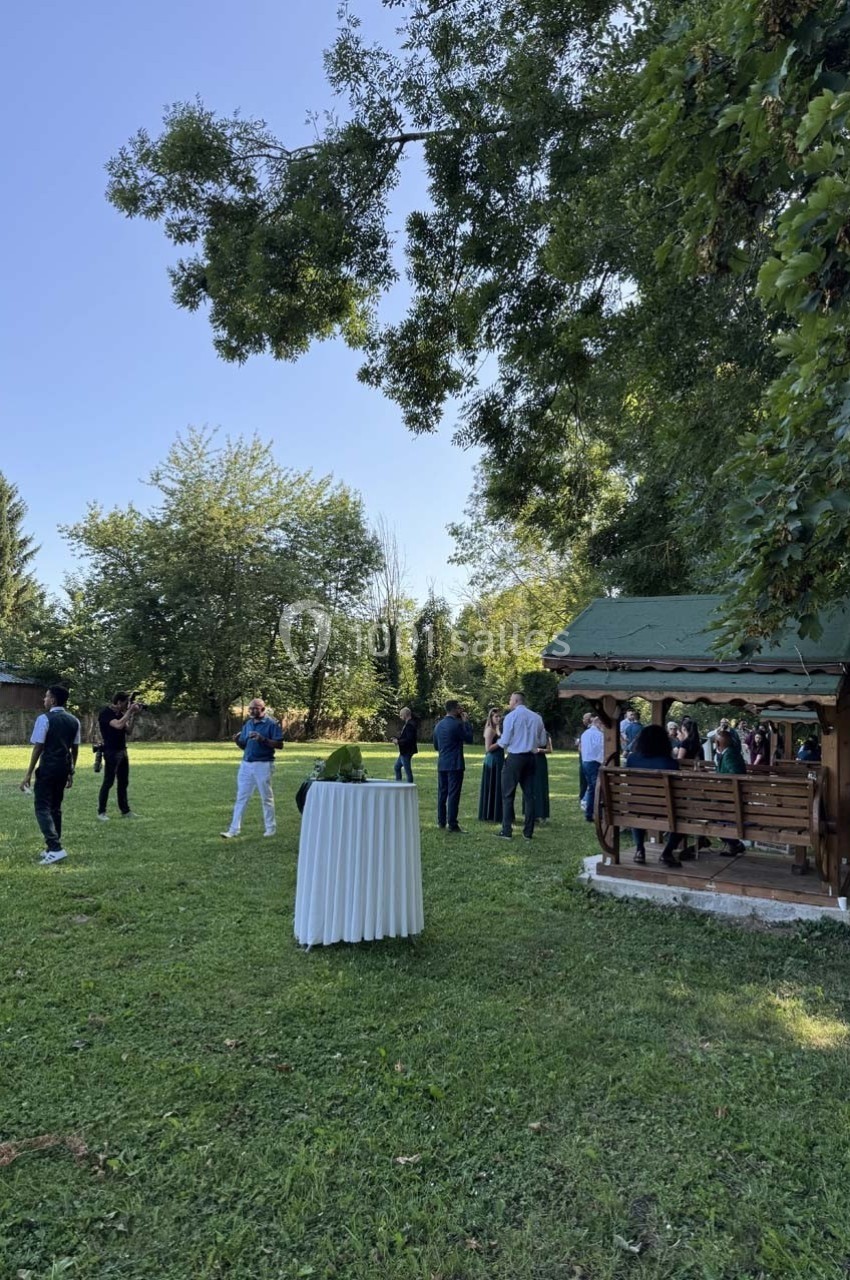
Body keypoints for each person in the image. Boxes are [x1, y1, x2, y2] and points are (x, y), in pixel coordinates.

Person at [661, 729, 746, 865]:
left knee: (700, 811)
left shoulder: (729, 755)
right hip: (728, 799)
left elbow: (735, 776)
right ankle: (720, 841)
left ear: (718, 743)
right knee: (702, 809)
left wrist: (716, 781)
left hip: (729, 801)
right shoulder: (728, 753)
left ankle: (721, 841)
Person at [20, 686, 80, 866]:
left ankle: (55, 847)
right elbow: (75, 748)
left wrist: (28, 773)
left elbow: (38, 747)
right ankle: (53, 848)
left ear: (53, 700)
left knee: (41, 807)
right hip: (63, 768)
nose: (43, 700)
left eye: (46, 697)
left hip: (48, 767)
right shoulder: (74, 720)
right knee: (56, 807)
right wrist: (71, 770)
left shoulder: (44, 719)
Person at [221, 698, 284, 838]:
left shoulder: (271, 724)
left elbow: (280, 744)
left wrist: (263, 739)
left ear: (263, 709)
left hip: (263, 764)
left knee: (266, 797)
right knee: (241, 796)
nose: (252, 710)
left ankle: (270, 828)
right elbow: (245, 745)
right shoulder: (248, 724)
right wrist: (237, 741)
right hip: (246, 764)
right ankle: (233, 829)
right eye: (251, 708)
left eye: (255, 708)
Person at [497, 692, 548, 840]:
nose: (509, 702)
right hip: (531, 758)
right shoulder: (537, 717)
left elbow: (505, 740)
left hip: (515, 757)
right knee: (529, 795)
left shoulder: (510, 717)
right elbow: (542, 740)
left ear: (516, 701)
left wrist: (498, 743)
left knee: (507, 794)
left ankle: (507, 830)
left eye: (510, 700)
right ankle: (528, 832)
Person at [626, 724, 679, 864]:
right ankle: (667, 852)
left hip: (636, 807)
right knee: (683, 815)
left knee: (638, 806)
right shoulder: (670, 763)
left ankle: (639, 849)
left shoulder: (632, 759)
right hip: (665, 811)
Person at [97, 691, 143, 820]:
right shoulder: (106, 713)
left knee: (123, 782)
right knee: (108, 782)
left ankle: (125, 811)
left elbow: (128, 730)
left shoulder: (122, 713)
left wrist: (132, 714)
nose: (128, 705)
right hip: (111, 751)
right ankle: (101, 812)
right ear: (118, 702)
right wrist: (129, 712)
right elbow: (118, 725)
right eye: (126, 702)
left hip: (122, 750)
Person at [432, 700, 473, 832]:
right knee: (453, 794)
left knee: (442, 793)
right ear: (455, 709)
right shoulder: (457, 724)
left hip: (442, 762)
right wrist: (466, 722)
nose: (461, 710)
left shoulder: (438, 726)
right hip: (455, 764)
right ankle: (453, 823)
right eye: (459, 708)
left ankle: (441, 821)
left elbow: (436, 746)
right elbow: (469, 739)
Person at [478, 707, 504, 823]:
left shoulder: (497, 729)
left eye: (499, 716)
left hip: (499, 759)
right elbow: (488, 748)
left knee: (499, 786)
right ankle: (490, 813)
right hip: (492, 761)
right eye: (496, 716)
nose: (498, 718)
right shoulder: (490, 730)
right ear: (491, 717)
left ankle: (497, 812)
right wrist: (500, 742)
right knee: (492, 785)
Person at [579, 714, 606, 823]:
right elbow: (601, 750)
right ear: (599, 723)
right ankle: (595, 812)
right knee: (597, 789)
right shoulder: (599, 735)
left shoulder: (585, 733)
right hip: (594, 763)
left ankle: (589, 813)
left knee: (591, 788)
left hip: (586, 762)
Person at [523, 728, 553, 825]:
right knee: (529, 786)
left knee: (540, 787)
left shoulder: (546, 733)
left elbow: (550, 749)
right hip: (528, 759)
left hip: (540, 761)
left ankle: (542, 814)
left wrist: (539, 750)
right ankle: (530, 814)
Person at [391, 707, 418, 783]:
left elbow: (409, 739)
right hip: (404, 751)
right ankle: (398, 783)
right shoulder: (408, 724)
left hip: (407, 751)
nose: (400, 717)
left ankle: (410, 786)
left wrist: (398, 741)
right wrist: (396, 739)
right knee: (397, 767)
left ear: (405, 715)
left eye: (401, 715)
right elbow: (405, 737)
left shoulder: (410, 725)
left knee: (407, 770)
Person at [577, 711, 593, 808]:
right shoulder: (586, 731)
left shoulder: (590, 731)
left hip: (586, 758)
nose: (583, 720)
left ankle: (584, 798)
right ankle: (582, 796)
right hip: (584, 758)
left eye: (584, 718)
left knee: (586, 780)